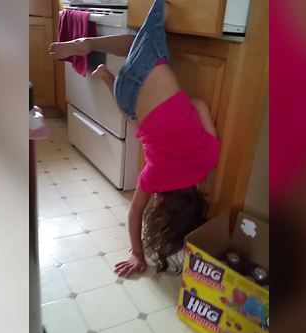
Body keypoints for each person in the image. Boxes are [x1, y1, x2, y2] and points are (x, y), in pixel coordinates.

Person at [49, 0, 220, 277]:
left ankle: (88, 43)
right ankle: (106, 78)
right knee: (136, 121)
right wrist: (137, 254)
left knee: (143, 32)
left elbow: (200, 105)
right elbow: (134, 213)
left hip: (152, 73)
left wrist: (176, 103)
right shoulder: (153, 179)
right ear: (164, 205)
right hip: (126, 97)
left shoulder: (210, 159)